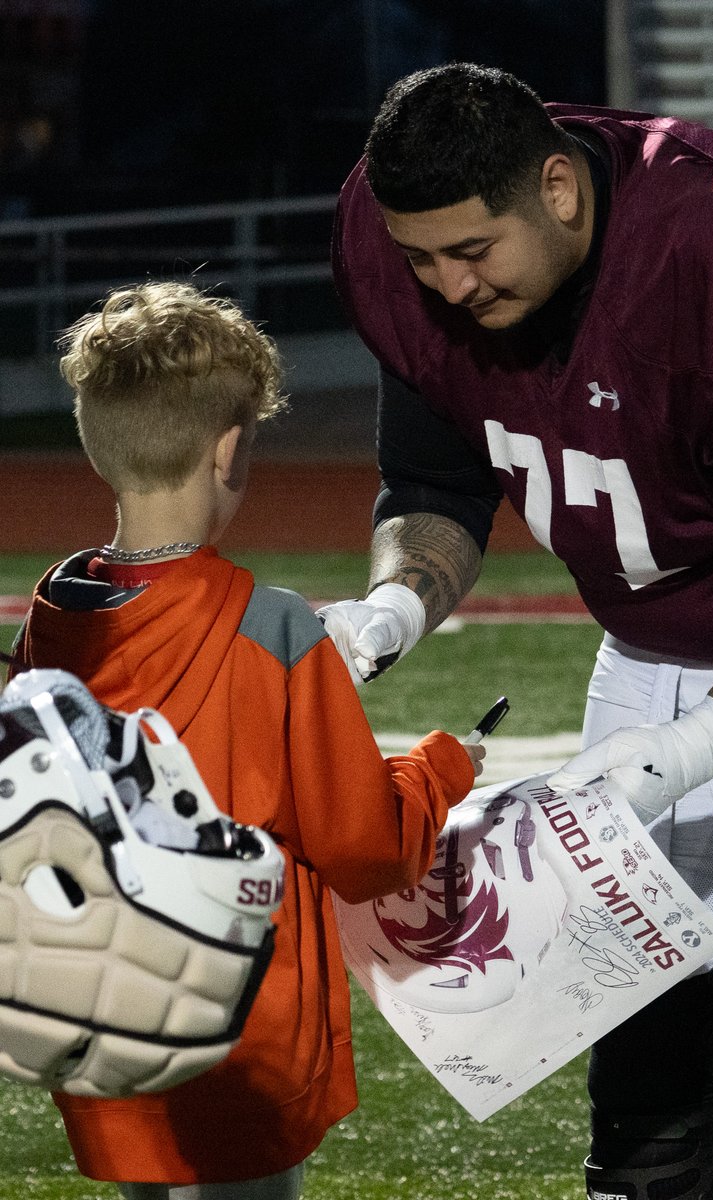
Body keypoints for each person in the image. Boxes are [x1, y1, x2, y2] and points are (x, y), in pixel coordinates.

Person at [323, 62, 713, 1200]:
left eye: (471, 253)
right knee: (644, 1099)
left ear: (559, 189)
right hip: (658, 645)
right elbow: (433, 476)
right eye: (420, 259)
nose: (446, 286)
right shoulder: (402, 245)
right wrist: (395, 604)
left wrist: (701, 744)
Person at [10, 281, 485, 1200]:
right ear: (230, 449)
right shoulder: (271, 629)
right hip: (241, 1020)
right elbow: (365, 847)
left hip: (104, 1009)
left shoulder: (54, 609)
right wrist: (440, 767)